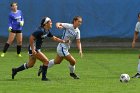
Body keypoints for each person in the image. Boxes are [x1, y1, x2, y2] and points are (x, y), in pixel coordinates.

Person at [12, 17, 69, 81]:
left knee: (30, 64)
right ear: (45, 24)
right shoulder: (40, 31)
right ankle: (44, 78)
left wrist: (63, 41)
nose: (51, 23)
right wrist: (33, 49)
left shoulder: (47, 31)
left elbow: (54, 38)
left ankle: (15, 70)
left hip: (35, 49)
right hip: (34, 49)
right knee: (46, 61)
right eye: (50, 22)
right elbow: (31, 38)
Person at [132, 13, 140, 78]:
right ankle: (139, 73)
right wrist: (134, 41)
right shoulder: (138, 24)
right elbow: (136, 32)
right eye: (139, 17)